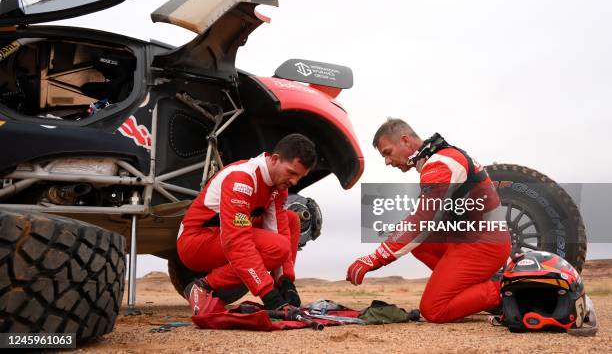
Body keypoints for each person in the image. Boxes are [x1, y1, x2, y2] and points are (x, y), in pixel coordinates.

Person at [346, 118, 511, 323]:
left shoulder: (440, 163)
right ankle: (473, 287)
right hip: (471, 238)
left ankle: (503, 290)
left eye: (387, 153)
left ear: (405, 141)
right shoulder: (439, 158)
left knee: (433, 309)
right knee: (419, 244)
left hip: (482, 245)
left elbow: (422, 220)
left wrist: (375, 258)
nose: (387, 162)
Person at [177, 133, 316, 314]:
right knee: (277, 247)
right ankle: (202, 286)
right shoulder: (241, 179)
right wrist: (269, 295)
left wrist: (286, 284)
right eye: (291, 173)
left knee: (291, 220)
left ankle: (280, 286)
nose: (294, 181)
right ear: (275, 159)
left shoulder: (278, 187)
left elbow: (279, 229)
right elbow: (237, 241)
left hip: (224, 232)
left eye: (300, 177)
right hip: (196, 241)